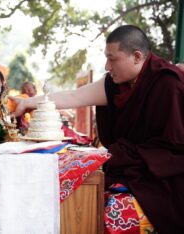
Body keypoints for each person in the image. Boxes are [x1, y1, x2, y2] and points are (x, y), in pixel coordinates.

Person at [11, 25, 184, 233]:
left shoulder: (168, 83)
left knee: (106, 213)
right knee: (81, 197)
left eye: (112, 59)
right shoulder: (116, 84)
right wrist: (28, 103)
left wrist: (123, 156)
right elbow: (75, 96)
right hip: (132, 167)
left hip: (164, 178)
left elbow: (174, 148)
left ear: (137, 57)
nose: (107, 66)